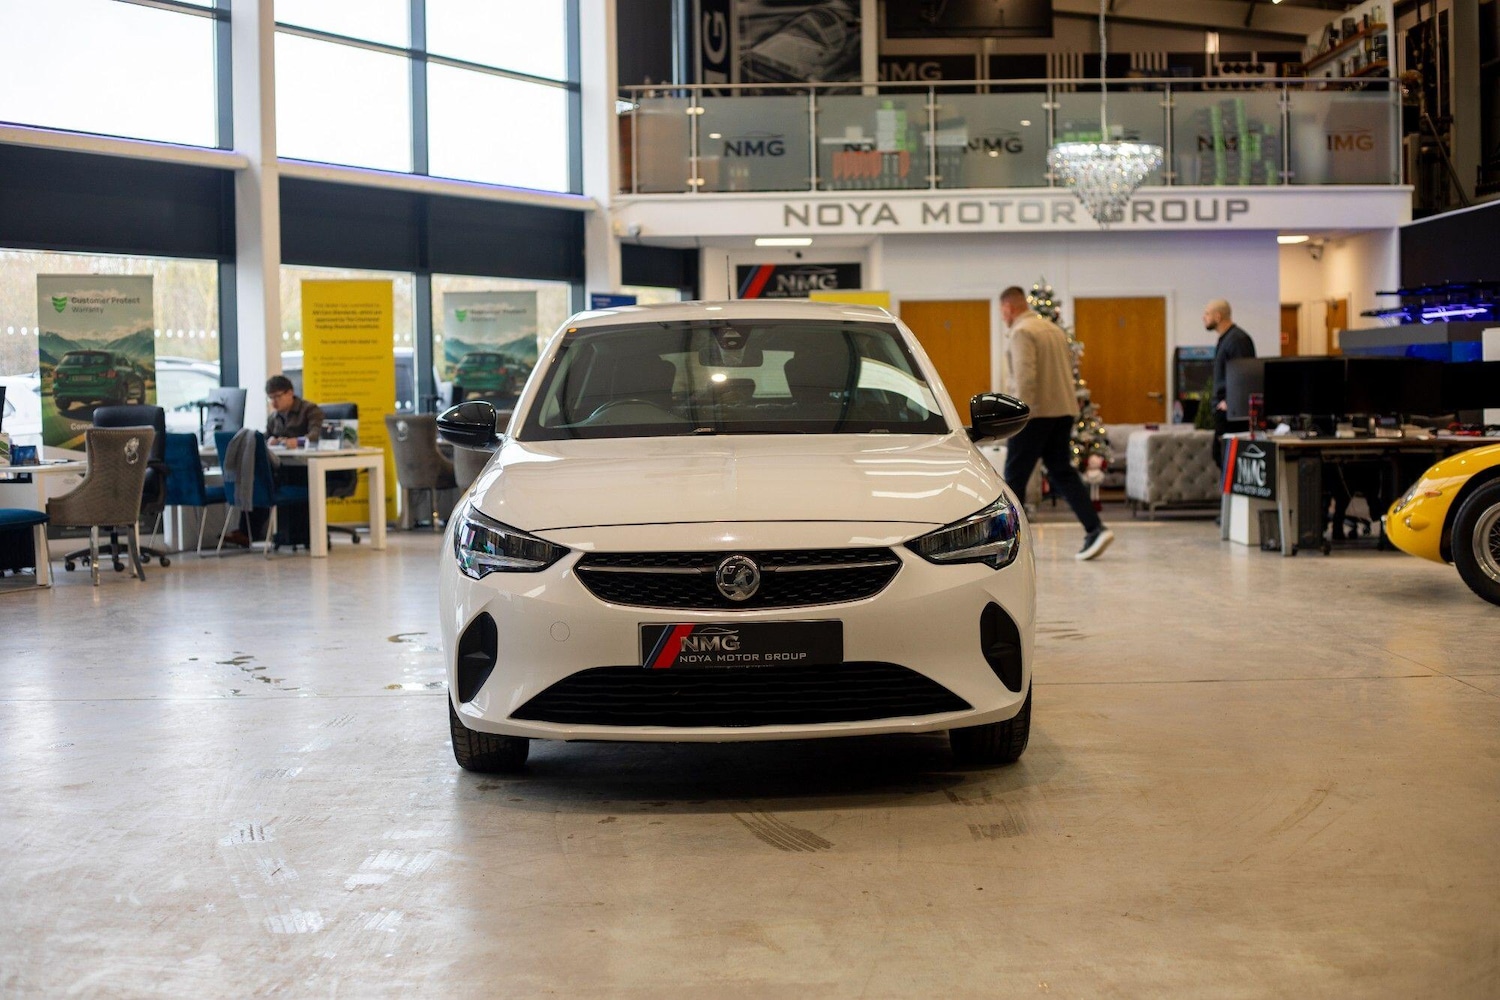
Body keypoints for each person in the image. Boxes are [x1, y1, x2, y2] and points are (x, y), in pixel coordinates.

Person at [999, 285, 1114, 561]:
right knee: (1062, 470)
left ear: (1009, 308)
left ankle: (1007, 544)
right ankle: (1095, 528)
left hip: (1034, 414)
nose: (1003, 317)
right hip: (1063, 410)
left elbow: (1025, 379)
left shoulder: (1022, 332)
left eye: (1002, 311)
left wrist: (1016, 417)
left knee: (1014, 479)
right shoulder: (1053, 329)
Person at [1205, 299, 1256, 469]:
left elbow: (1245, 374)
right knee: (1218, 456)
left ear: (1218, 316)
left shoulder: (1238, 340)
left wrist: (1230, 401)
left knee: (1229, 460)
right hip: (1223, 413)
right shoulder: (1225, 339)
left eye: (1207, 314)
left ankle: (1231, 496)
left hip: (1233, 414)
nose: (1203, 317)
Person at [265, 374, 324, 448]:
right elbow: (266, 437)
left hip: (306, 457)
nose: (273, 402)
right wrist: (270, 441)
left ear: (290, 393)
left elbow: (317, 435)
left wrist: (298, 441)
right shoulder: (272, 417)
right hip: (282, 457)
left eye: (277, 396)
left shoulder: (310, 409)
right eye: (270, 398)